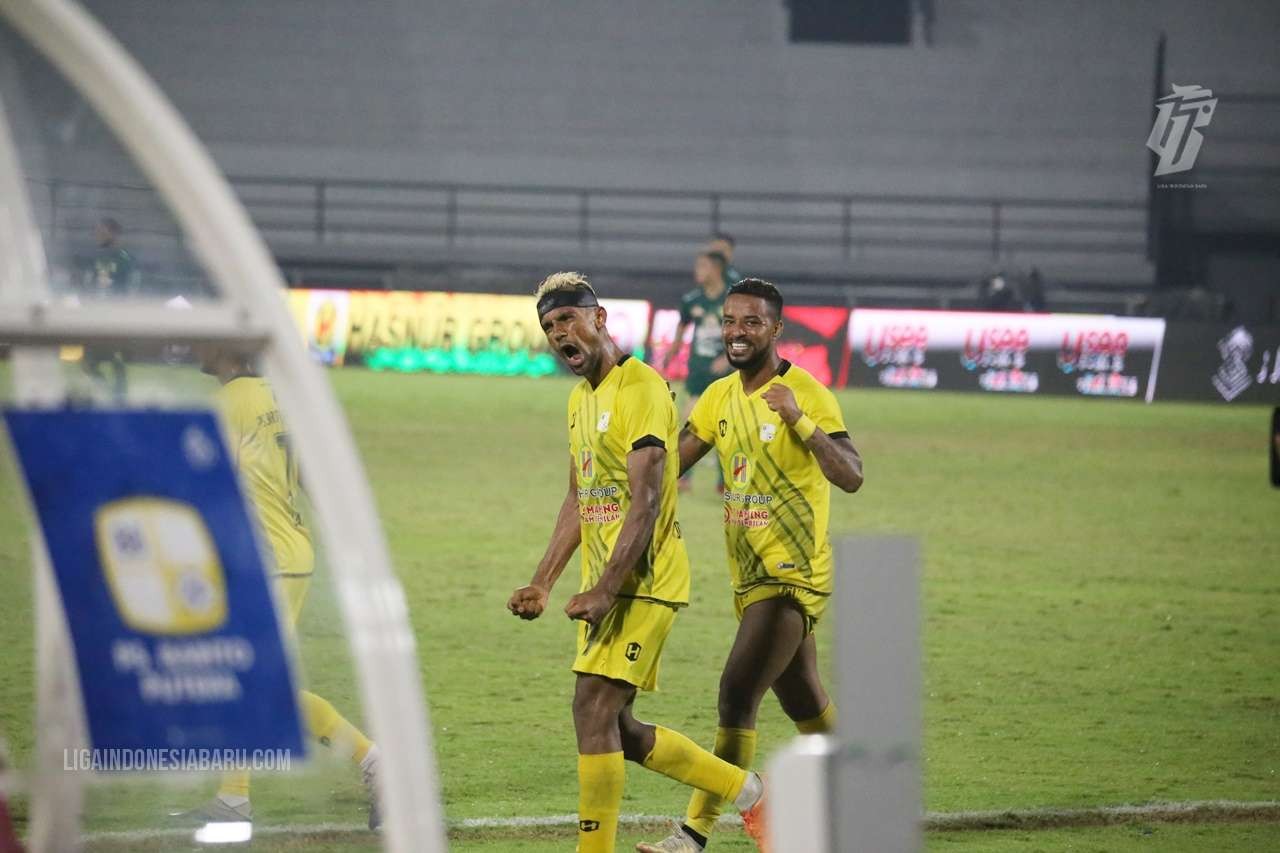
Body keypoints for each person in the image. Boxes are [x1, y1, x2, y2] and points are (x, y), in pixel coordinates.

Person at [508, 272, 769, 853]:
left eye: (567, 319)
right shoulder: (580, 401)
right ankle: (752, 794)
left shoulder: (642, 387)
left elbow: (647, 497)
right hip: (606, 585)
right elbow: (580, 499)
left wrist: (605, 587)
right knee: (617, 729)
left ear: (599, 319)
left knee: (591, 706)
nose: (558, 333)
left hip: (643, 582)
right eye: (549, 326)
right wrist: (543, 581)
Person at [638, 279, 863, 853]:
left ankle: (693, 835)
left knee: (736, 694)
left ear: (776, 329)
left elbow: (852, 474)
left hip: (791, 576)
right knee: (802, 695)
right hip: (749, 576)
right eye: (731, 321)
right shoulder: (717, 397)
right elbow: (671, 464)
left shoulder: (805, 392)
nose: (737, 332)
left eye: (752, 323)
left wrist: (801, 423)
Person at [177, 345, 381, 830]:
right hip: (285, 556)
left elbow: (202, 482)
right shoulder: (279, 398)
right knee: (252, 683)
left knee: (252, 684)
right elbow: (310, 474)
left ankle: (375, 763)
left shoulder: (232, 402)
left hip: (266, 562)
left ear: (231, 352)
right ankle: (233, 798)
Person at [666, 251, 733, 491]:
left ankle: (724, 480)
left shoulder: (732, 299)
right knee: (691, 420)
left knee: (726, 425)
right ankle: (684, 475)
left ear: (716, 270)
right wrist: (670, 356)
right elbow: (681, 328)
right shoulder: (692, 299)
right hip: (698, 372)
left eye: (702, 267)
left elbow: (743, 331)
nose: (697, 272)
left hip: (726, 375)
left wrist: (727, 357)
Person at [80, 218, 137, 398]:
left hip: (115, 317)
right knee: (88, 362)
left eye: (101, 231)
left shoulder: (124, 259)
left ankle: (120, 397)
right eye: (96, 232)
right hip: (95, 317)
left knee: (116, 359)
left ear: (113, 233)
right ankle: (107, 391)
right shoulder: (95, 258)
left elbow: (131, 289)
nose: (97, 235)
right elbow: (88, 286)